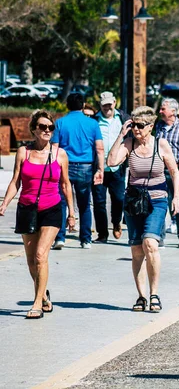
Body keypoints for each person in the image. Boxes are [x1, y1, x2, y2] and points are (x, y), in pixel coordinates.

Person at [0, 110, 76, 319]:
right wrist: (5, 203)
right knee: (31, 260)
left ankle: (36, 303)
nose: (47, 130)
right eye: (42, 127)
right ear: (34, 129)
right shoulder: (23, 152)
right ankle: (43, 295)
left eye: (50, 127)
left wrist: (71, 213)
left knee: (41, 255)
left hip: (52, 208)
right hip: (27, 208)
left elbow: (65, 184)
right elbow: (16, 181)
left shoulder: (60, 154)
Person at [107, 106, 179, 313]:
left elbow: (174, 172)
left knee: (150, 243)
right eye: (133, 126)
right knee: (137, 250)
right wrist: (121, 135)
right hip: (133, 201)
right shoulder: (129, 143)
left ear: (150, 127)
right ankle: (141, 296)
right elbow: (111, 162)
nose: (136, 129)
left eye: (140, 126)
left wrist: (175, 198)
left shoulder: (161, 145)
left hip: (157, 200)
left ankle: (154, 293)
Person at [51, 93, 104, 249]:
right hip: (85, 166)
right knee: (85, 204)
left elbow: (54, 147)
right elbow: (100, 148)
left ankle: (59, 238)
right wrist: (100, 168)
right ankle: (85, 239)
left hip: (64, 165)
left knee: (61, 202)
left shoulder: (60, 123)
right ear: (83, 105)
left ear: (67, 105)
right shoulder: (93, 124)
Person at [90, 91, 130, 243]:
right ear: (100, 105)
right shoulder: (94, 120)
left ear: (114, 103)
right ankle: (102, 234)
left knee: (119, 198)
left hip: (117, 167)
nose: (107, 107)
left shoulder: (123, 119)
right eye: (104, 104)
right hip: (99, 168)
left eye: (109, 104)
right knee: (99, 202)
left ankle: (116, 222)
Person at [155, 99, 179, 248]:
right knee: (161, 203)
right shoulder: (159, 126)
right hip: (162, 170)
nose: (160, 111)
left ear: (173, 111)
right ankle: (160, 237)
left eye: (162, 108)